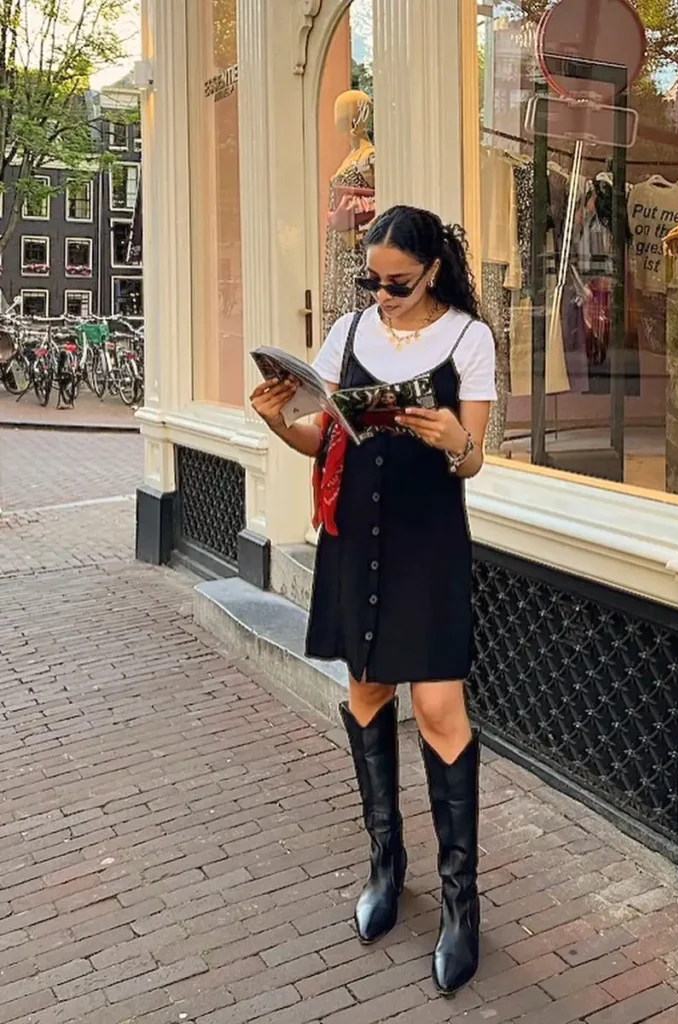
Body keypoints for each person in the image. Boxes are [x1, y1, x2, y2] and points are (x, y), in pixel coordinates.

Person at [250, 205, 496, 996]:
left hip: (429, 538)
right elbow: (323, 437)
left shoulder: (469, 337)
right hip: (356, 533)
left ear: (433, 271)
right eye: (373, 281)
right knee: (366, 691)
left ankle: (461, 905)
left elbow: (473, 460)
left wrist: (452, 440)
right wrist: (279, 421)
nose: (382, 295)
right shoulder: (349, 332)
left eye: (398, 282)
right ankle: (385, 866)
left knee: (438, 706)